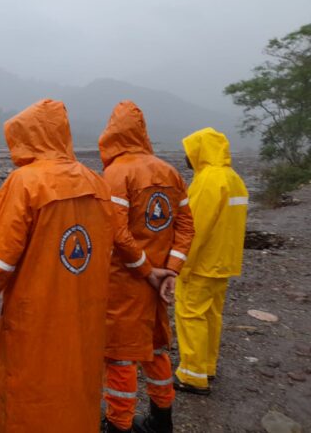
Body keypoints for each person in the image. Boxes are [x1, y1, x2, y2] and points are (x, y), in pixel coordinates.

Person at [0, 98, 115, 432]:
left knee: (31, 385)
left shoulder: (25, 182)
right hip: (85, 312)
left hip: (37, 315)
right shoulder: (96, 182)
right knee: (80, 381)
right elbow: (108, 248)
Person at [98, 101, 195, 433]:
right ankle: (161, 420)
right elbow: (186, 227)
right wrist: (170, 270)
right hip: (157, 283)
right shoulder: (170, 172)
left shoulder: (116, 173)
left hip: (125, 283)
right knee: (156, 351)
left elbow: (116, 231)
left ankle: (118, 424)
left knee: (121, 356)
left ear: (112, 132)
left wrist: (145, 269)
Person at [174, 127, 248, 395]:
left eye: (189, 151)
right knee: (212, 315)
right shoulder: (233, 178)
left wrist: (182, 264)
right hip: (224, 262)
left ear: (200, 151)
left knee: (190, 314)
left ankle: (191, 376)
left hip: (203, 264)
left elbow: (196, 228)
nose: (186, 156)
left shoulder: (208, 180)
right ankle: (206, 366)